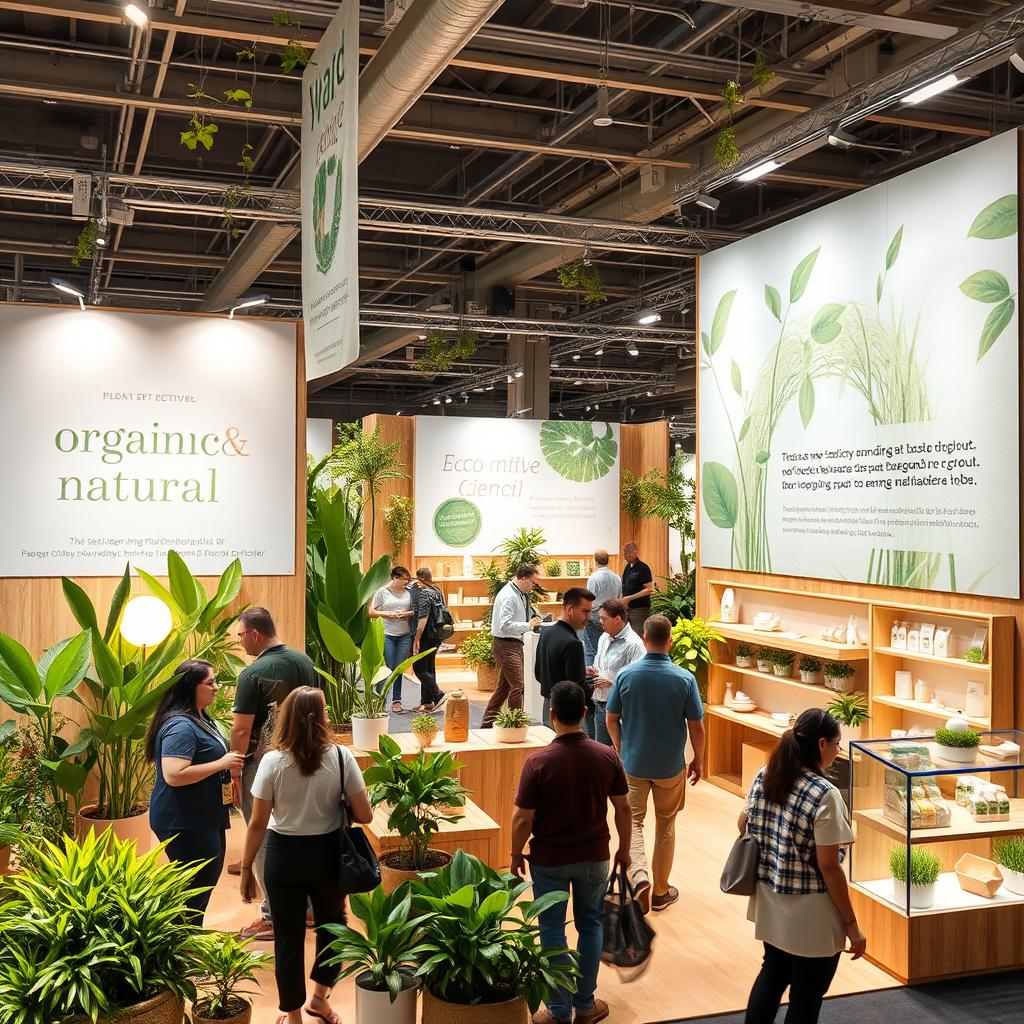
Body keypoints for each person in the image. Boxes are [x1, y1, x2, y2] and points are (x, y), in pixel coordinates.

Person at [240, 686, 373, 1024]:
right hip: (328, 855)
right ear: (323, 718)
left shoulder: (272, 762)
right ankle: (319, 1000)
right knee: (333, 927)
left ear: (286, 718)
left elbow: (257, 824)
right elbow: (366, 815)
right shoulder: (342, 758)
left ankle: (294, 1017)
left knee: (287, 936)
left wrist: (245, 870)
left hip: (283, 856)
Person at [512, 681, 632, 1024]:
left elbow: (523, 817)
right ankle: (586, 1004)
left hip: (549, 860)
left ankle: (558, 1010)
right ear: (584, 712)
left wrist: (514, 853)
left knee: (551, 929)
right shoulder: (607, 756)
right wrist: (624, 850)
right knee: (591, 925)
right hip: (594, 857)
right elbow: (623, 809)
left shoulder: (538, 762)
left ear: (551, 715)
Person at [741, 708, 866, 1024]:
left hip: (770, 898)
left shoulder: (766, 773)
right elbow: (829, 867)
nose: (838, 752)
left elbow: (743, 822)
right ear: (822, 744)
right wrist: (851, 923)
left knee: (772, 974)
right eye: (838, 745)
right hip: (812, 912)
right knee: (807, 996)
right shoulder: (825, 794)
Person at [605, 613, 705, 914]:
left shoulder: (626, 676)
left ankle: (640, 878)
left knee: (632, 822)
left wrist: (621, 747)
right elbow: (696, 726)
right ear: (670, 640)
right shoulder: (684, 678)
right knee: (666, 826)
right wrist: (698, 759)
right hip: (670, 768)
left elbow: (611, 719)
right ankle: (661, 892)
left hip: (634, 765)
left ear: (644, 638)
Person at [230, 606, 318, 940]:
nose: (240, 642)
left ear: (254, 633)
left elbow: (241, 731)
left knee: (264, 835)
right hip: (304, 759)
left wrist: (235, 771)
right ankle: (307, 907)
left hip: (264, 765)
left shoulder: (252, 674)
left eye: (240, 636)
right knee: (297, 834)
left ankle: (275, 915)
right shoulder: (303, 661)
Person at [145, 659, 244, 924]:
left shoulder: (199, 716)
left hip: (203, 817)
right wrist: (221, 764)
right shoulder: (181, 726)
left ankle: (188, 946)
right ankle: (183, 952)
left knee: (202, 885)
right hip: (185, 822)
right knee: (194, 891)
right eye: (210, 683)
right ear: (191, 687)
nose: (216, 687)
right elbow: (173, 774)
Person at [482, 563, 542, 728]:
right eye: (533, 582)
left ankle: (487, 723)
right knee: (518, 686)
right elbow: (505, 625)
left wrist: (536, 617)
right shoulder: (509, 596)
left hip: (513, 643)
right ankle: (515, 725)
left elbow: (524, 614)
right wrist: (529, 625)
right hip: (505, 644)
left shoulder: (521, 593)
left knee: (504, 688)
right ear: (523, 578)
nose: (534, 586)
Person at [586, 598, 645, 746]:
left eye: (603, 618)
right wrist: (594, 670)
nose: (600, 622)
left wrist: (611, 683)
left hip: (622, 710)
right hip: (600, 703)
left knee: (623, 753)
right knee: (602, 754)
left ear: (617, 619)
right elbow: (600, 663)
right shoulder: (604, 638)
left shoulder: (635, 645)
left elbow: (638, 681)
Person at [535, 587, 593, 728]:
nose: (588, 617)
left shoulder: (546, 633)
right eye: (585, 612)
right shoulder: (573, 644)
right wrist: (592, 690)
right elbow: (576, 685)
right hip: (568, 714)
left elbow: (538, 673)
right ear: (569, 609)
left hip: (548, 706)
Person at [370, 565, 416, 714]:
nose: (407, 582)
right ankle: (380, 699)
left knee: (399, 668)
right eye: (404, 579)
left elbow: (416, 610)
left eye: (408, 579)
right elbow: (372, 612)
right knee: (387, 668)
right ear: (395, 578)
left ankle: (397, 701)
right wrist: (388, 614)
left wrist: (406, 614)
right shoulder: (382, 592)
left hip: (405, 634)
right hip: (387, 634)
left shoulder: (409, 592)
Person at [409, 567, 448, 712]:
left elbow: (423, 618)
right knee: (429, 668)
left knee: (418, 667)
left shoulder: (425, 593)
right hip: (437, 635)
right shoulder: (437, 590)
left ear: (421, 579)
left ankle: (438, 694)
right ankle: (427, 702)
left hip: (425, 635)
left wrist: (417, 638)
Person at [583, 550, 621, 666]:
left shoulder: (594, 578)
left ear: (595, 561)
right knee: (609, 650)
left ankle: (591, 680)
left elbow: (590, 601)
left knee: (591, 651)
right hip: (612, 618)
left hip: (595, 618)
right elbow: (619, 598)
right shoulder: (616, 578)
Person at [620, 542, 654, 636]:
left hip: (639, 609)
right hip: (627, 609)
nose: (624, 556)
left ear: (634, 553)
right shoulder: (627, 567)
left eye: (626, 553)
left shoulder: (643, 568)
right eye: (624, 553)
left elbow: (650, 589)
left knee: (637, 636)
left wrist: (630, 598)